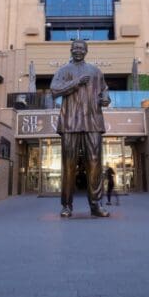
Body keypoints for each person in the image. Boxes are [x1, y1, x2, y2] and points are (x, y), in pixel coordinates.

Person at [51, 39, 111, 218]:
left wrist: (105, 99)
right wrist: (76, 83)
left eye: (81, 48)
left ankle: (96, 204)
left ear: (86, 51)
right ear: (70, 50)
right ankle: (67, 205)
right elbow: (54, 90)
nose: (78, 50)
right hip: (70, 122)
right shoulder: (63, 70)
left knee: (94, 164)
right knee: (68, 165)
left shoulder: (95, 71)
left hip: (92, 121)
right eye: (75, 48)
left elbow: (104, 90)